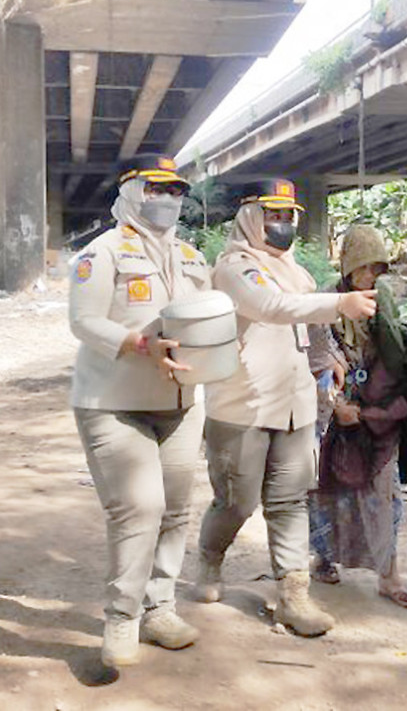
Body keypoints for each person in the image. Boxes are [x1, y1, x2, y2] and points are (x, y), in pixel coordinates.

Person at [194, 179, 377, 636]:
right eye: (273, 215)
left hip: (295, 407)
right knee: (236, 502)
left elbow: (309, 329)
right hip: (243, 407)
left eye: (289, 215)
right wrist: (341, 303)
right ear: (251, 217)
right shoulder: (236, 267)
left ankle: (294, 598)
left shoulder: (298, 272)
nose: (283, 225)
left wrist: (328, 360)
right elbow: (273, 306)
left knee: (290, 501)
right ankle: (210, 557)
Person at [69, 154, 211, 668]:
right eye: (156, 189)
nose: (167, 200)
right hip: (113, 403)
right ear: (130, 190)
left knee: (175, 510)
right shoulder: (101, 253)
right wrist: (134, 341)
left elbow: (208, 320)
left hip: (179, 403)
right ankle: (122, 617)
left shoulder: (194, 257)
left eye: (175, 191)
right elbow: (83, 321)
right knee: (139, 508)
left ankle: (160, 609)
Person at [308, 224, 407, 608]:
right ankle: (323, 558)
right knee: (327, 487)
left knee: (384, 491)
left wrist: (379, 406)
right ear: (347, 266)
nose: (370, 277)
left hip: (375, 414)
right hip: (332, 411)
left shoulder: (383, 299)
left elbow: (392, 352)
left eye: (377, 269)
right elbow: (315, 356)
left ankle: (389, 576)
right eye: (363, 268)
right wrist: (336, 404)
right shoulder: (325, 300)